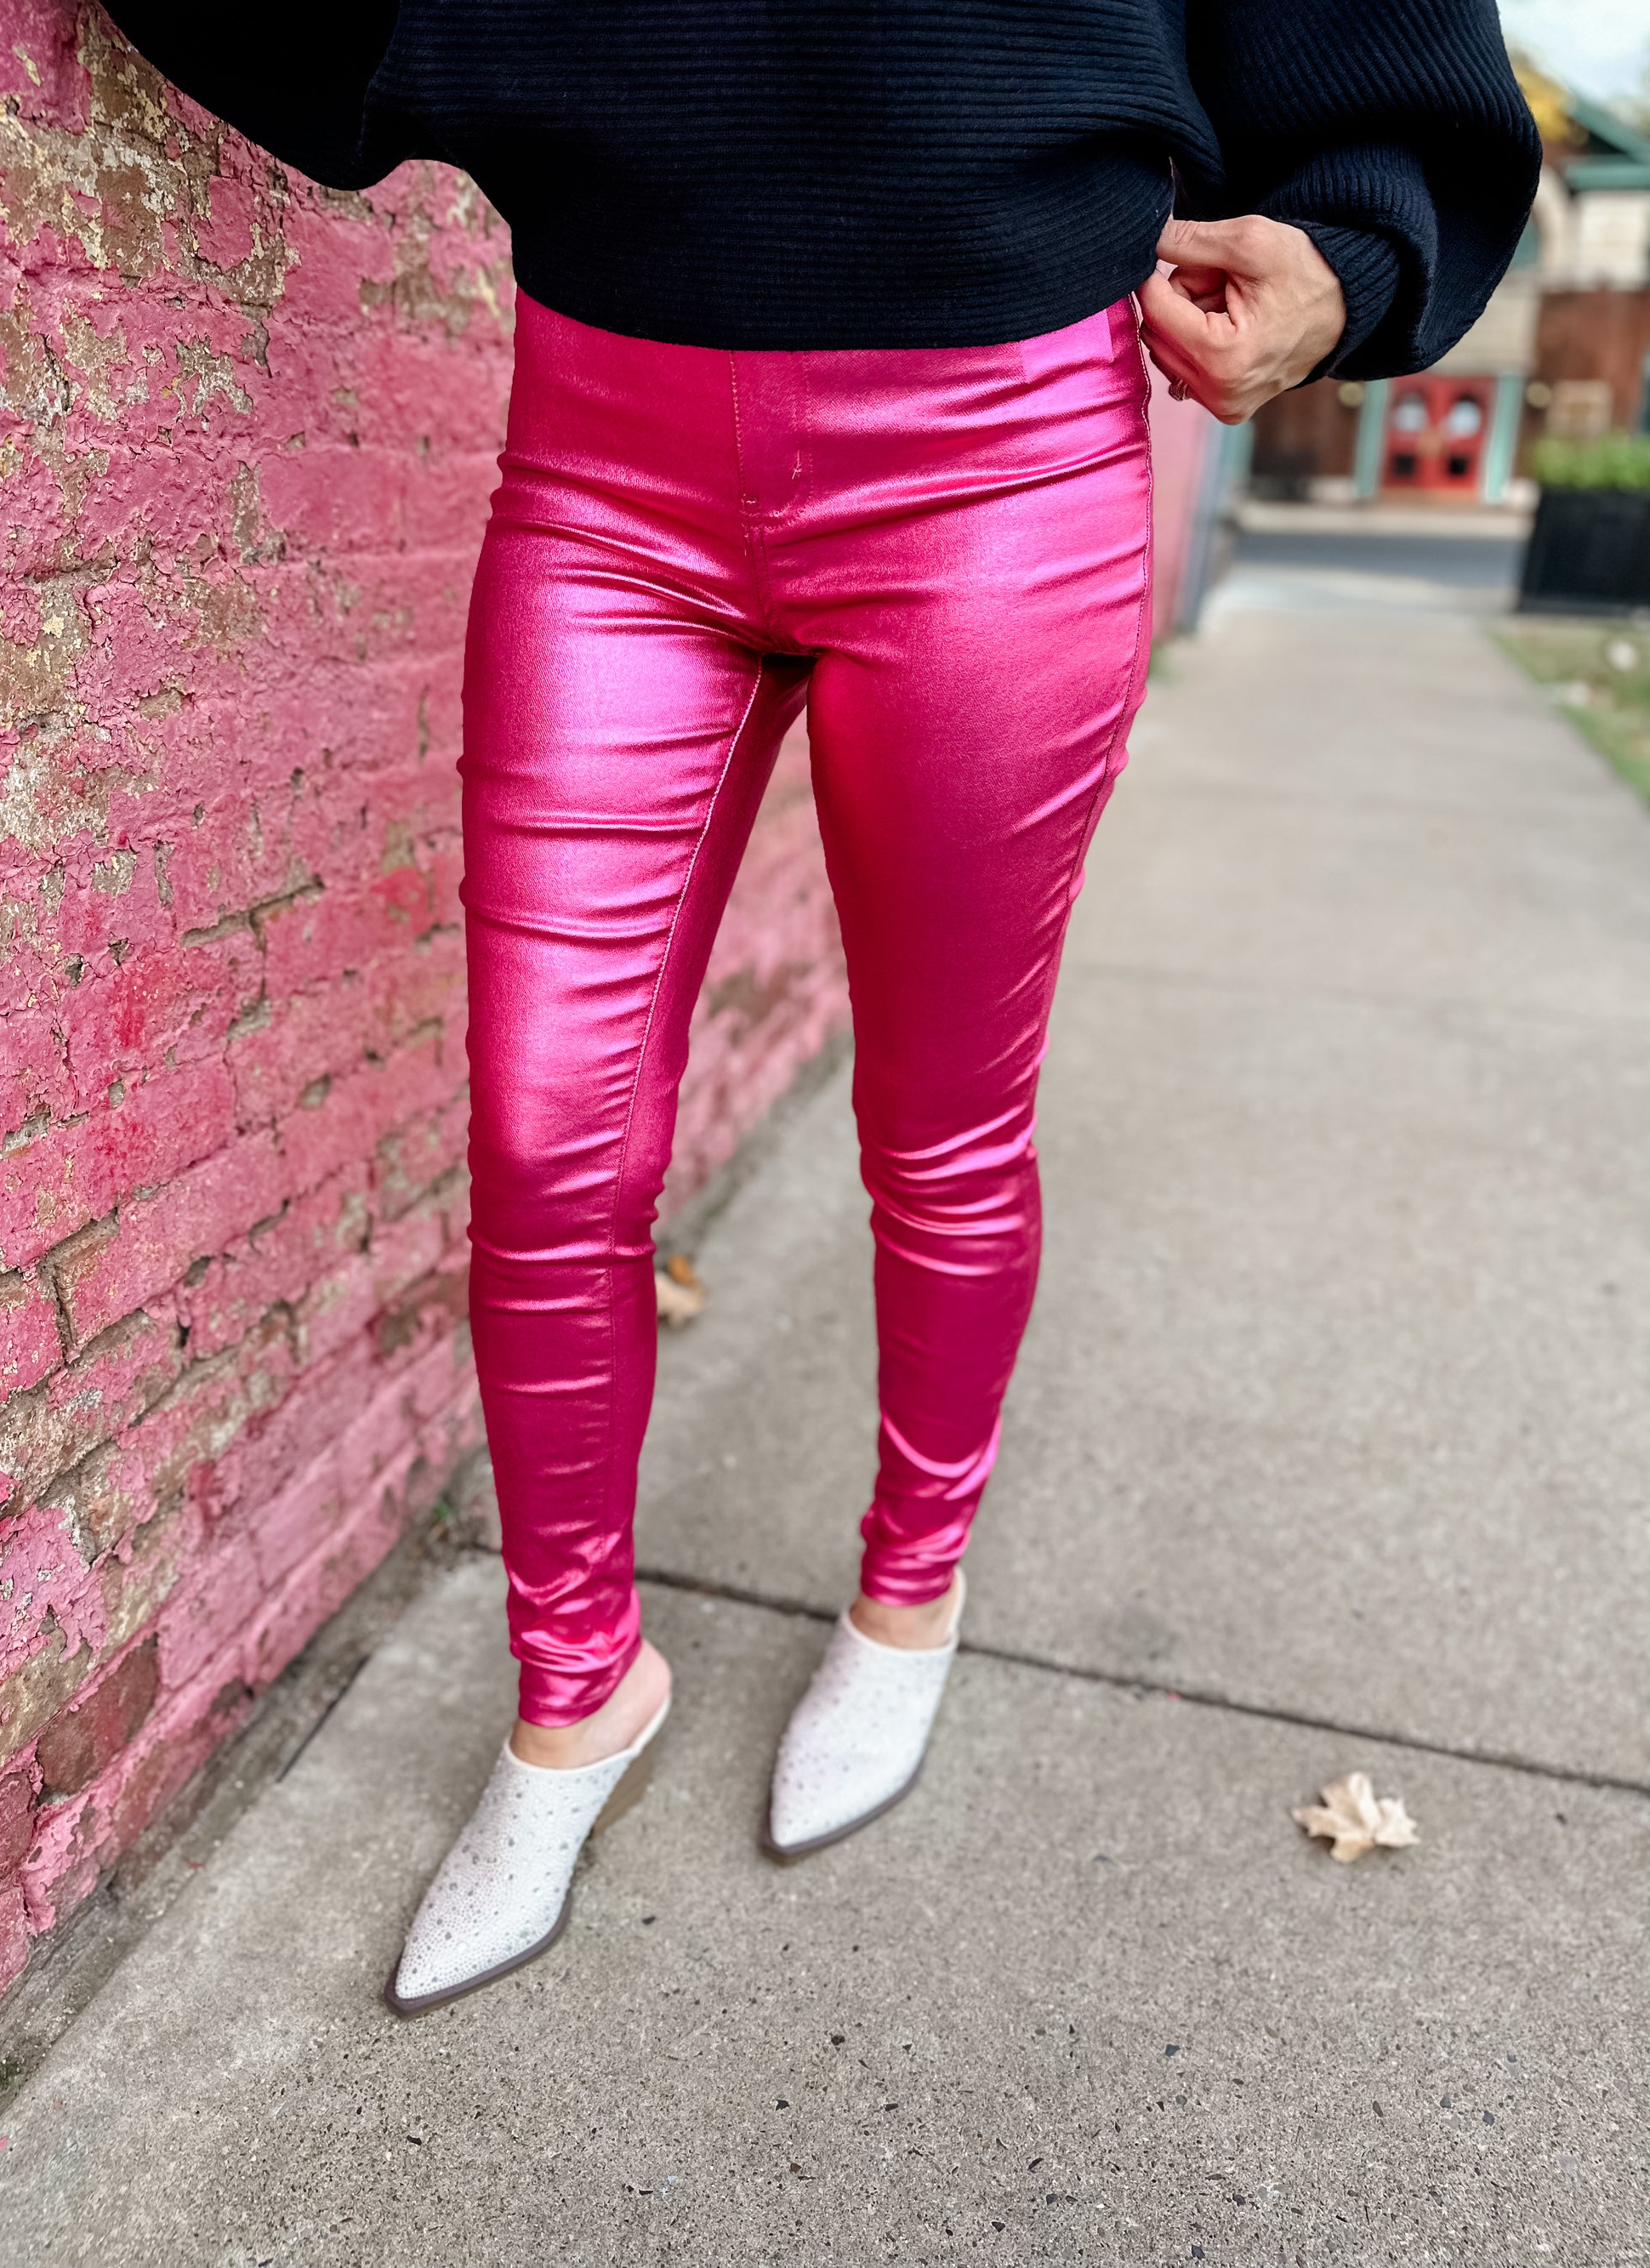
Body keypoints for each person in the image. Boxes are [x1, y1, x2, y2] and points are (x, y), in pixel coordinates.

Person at [103, 0, 1538, 2015]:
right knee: (540, 1137)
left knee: (940, 1126)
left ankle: (909, 1590)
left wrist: (1362, 239)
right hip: (602, 448)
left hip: (996, 453)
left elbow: (1373, 76)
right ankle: (576, 1692)